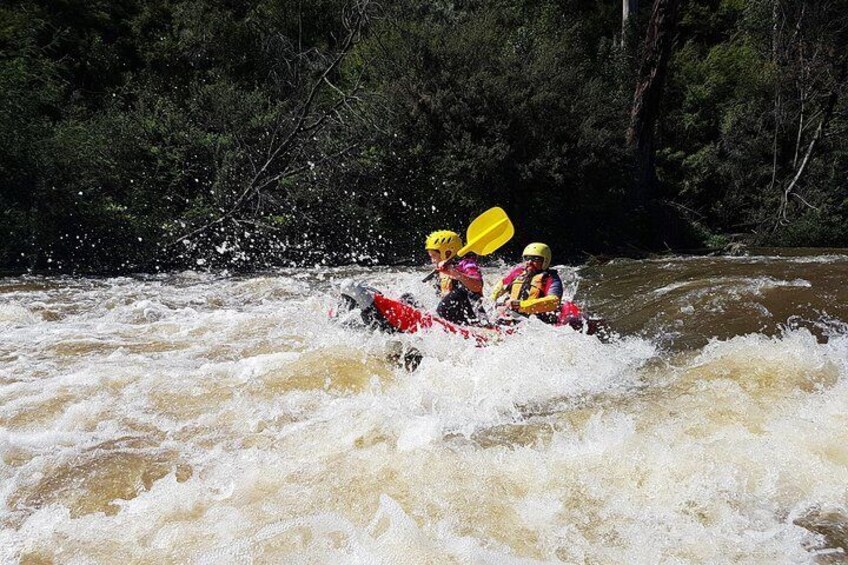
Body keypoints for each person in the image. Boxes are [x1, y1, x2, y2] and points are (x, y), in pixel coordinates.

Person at [490, 242, 566, 325]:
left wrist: (520, 305)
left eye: (535, 259)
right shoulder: (518, 273)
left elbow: (554, 302)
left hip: (535, 320)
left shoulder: (550, 278)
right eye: (526, 258)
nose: (529, 262)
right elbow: (501, 285)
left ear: (545, 261)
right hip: (514, 315)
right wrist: (491, 301)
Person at [424, 230, 488, 326]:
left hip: (472, 317)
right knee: (408, 298)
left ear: (448, 253)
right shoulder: (439, 271)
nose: (432, 261)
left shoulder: (467, 264)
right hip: (448, 313)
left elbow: (477, 286)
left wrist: (455, 273)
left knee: (457, 294)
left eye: (434, 256)